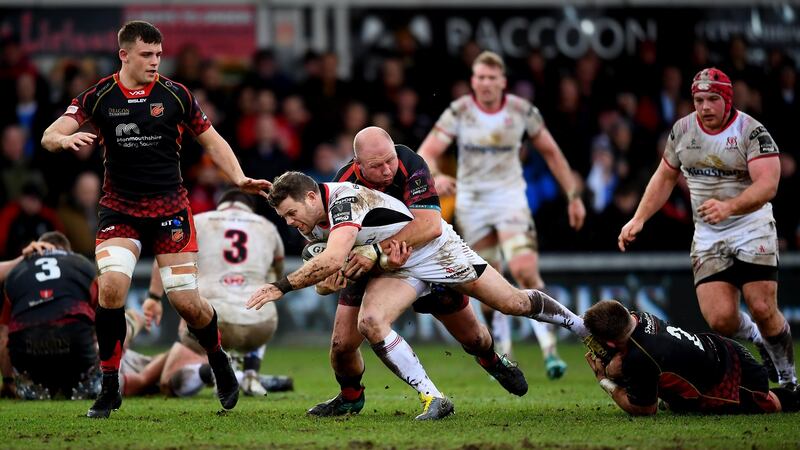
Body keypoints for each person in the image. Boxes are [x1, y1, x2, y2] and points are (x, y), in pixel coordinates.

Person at [40, 21, 271, 418]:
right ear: (124, 55)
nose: (154, 62)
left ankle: (218, 358)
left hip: (169, 210)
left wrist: (238, 178)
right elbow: (49, 134)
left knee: (187, 303)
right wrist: (64, 139)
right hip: (120, 209)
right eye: (146, 55)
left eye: (159, 55)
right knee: (111, 288)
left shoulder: (176, 94)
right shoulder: (100, 95)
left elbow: (212, 139)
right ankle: (109, 385)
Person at [247, 171, 590, 419]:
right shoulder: (312, 223)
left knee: (510, 304)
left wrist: (279, 287)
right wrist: (330, 282)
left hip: (434, 251)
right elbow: (325, 279)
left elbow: (334, 258)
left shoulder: (343, 200)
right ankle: (433, 398)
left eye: (291, 213)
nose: (289, 222)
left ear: (310, 197)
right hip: (393, 269)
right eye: (284, 217)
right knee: (368, 324)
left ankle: (579, 327)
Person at [307, 127, 529, 418]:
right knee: (342, 345)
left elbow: (430, 225)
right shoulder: (343, 186)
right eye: (377, 165)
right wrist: (330, 273)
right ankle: (351, 398)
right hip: (372, 264)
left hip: (425, 257)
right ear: (358, 165)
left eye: (389, 161)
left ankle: (491, 360)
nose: (387, 170)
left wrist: (378, 250)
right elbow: (337, 241)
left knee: (474, 338)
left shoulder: (410, 163)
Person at [618, 67, 796, 389]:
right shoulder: (682, 131)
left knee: (761, 307)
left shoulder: (752, 132)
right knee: (720, 318)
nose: (705, 107)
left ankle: (789, 381)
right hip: (709, 233)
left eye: (713, 99)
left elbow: (768, 184)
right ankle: (757, 337)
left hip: (751, 226)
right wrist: (639, 218)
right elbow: (664, 177)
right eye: (699, 100)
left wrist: (729, 206)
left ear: (727, 99)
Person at [417, 50, 586, 379]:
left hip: (510, 200)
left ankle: (550, 350)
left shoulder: (521, 111)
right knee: (489, 285)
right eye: (480, 77)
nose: (485, 83)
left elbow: (551, 152)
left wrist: (573, 195)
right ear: (473, 81)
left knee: (524, 270)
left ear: (502, 82)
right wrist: (435, 175)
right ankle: (505, 353)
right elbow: (426, 153)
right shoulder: (459, 111)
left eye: (491, 78)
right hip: (473, 205)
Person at [143, 189, 289, 397]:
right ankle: (249, 372)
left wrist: (154, 297)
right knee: (259, 297)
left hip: (213, 320)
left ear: (221, 205)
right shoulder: (267, 227)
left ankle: (219, 372)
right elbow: (277, 274)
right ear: (249, 209)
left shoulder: (199, 221)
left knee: (170, 381)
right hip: (261, 325)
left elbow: (164, 260)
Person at [582, 299, 800, 415]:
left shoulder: (639, 358)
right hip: (721, 347)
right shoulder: (639, 317)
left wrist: (605, 380)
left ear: (611, 343)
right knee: (675, 399)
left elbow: (645, 409)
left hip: (732, 380)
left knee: (771, 403)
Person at [0, 232, 96, 400]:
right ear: (67, 251)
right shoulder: (81, 263)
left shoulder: (16, 271)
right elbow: (105, 316)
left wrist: (8, 382)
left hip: (26, 342)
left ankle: (27, 386)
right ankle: (90, 381)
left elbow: (3, 334)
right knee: (116, 319)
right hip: (75, 339)